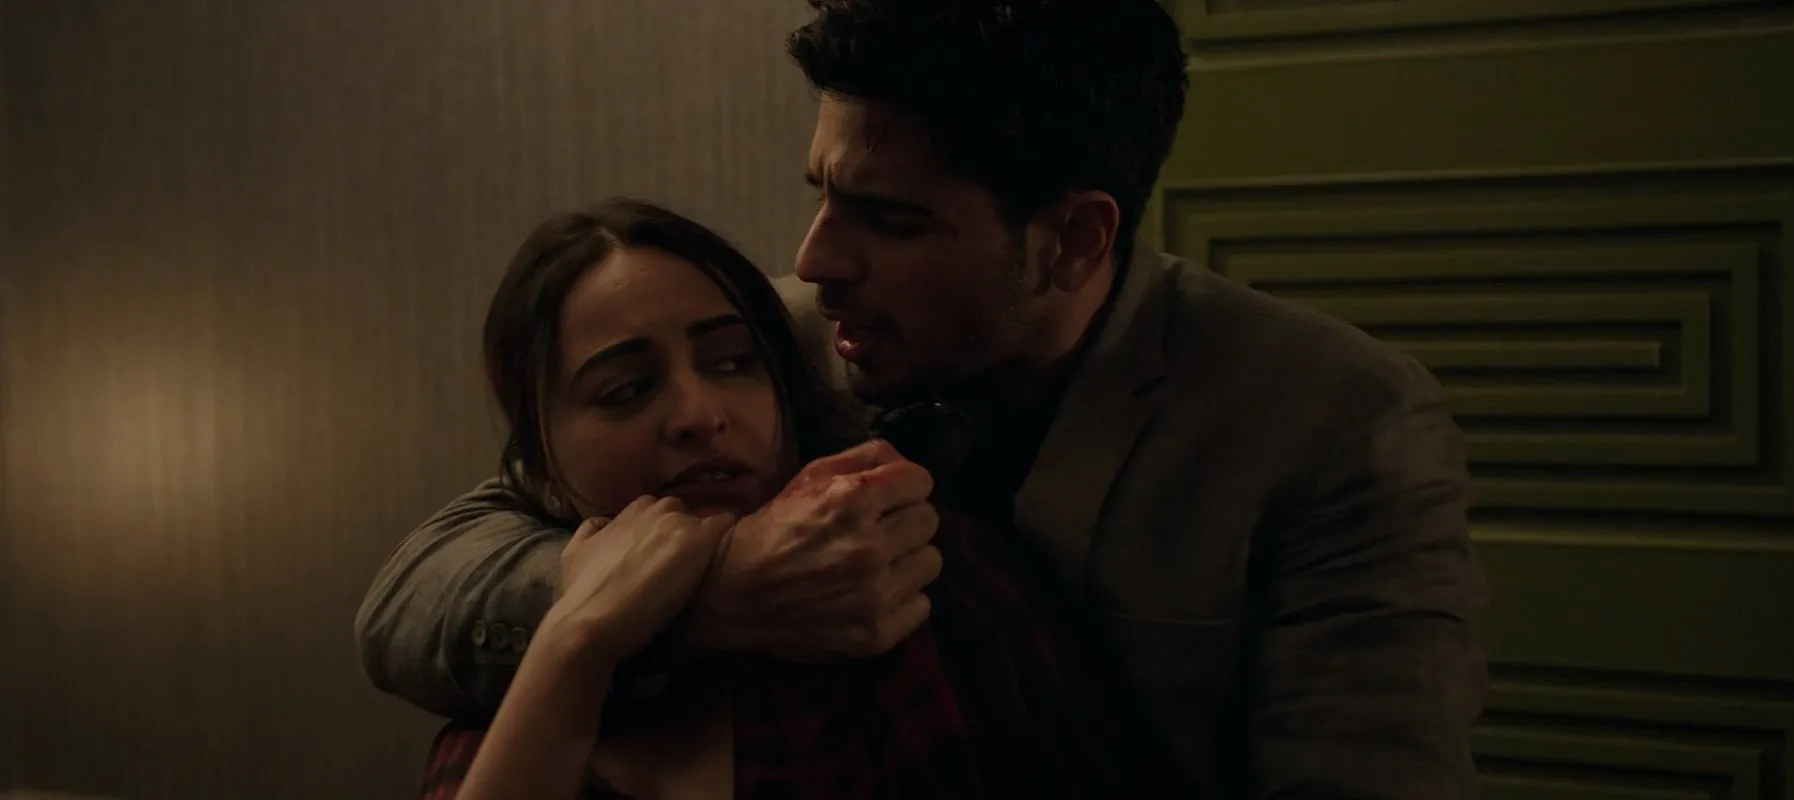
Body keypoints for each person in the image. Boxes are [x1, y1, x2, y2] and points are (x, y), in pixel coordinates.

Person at [356, 0, 1490, 796]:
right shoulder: (769, 350)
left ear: (1071, 238)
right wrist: (711, 594)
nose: (815, 258)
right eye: (822, 193)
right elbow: (414, 596)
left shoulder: (1333, 421)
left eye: (889, 219)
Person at [416, 198, 1176, 799]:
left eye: (733, 362)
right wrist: (576, 648)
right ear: (541, 470)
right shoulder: (510, 686)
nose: (698, 413)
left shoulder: (920, 580)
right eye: (626, 390)